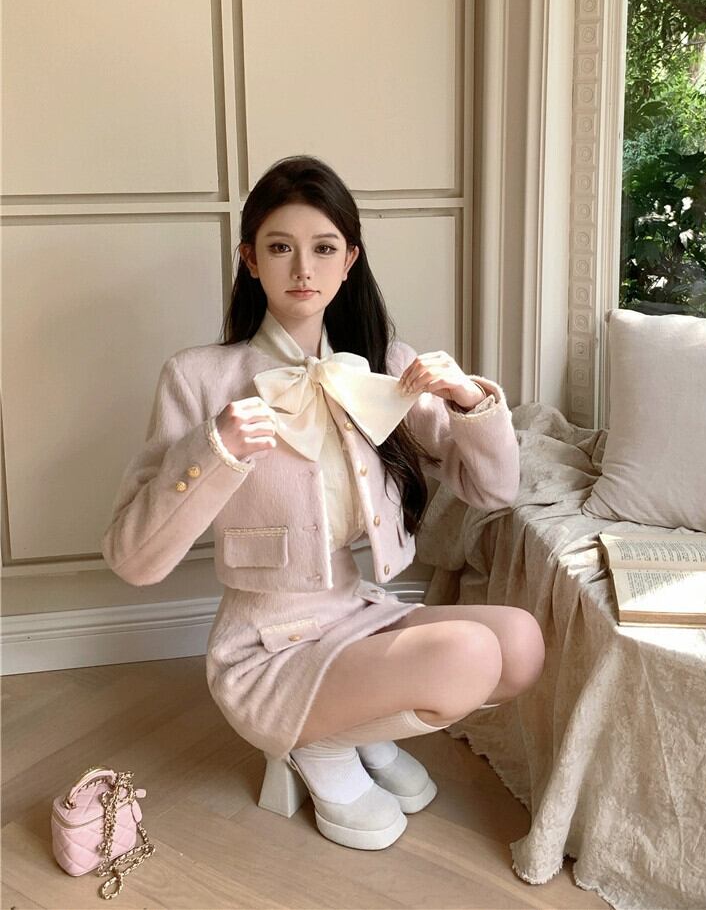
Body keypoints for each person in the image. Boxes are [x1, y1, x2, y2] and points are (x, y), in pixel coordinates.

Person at [102, 154, 545, 852]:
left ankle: (344, 726)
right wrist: (214, 451)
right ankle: (318, 742)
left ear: (350, 261)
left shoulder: (384, 367)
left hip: (354, 611)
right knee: (467, 655)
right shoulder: (198, 377)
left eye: (324, 248)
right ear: (251, 260)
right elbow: (133, 560)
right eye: (281, 248)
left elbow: (494, 490)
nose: (303, 268)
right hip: (264, 645)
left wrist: (468, 401)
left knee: (519, 643)